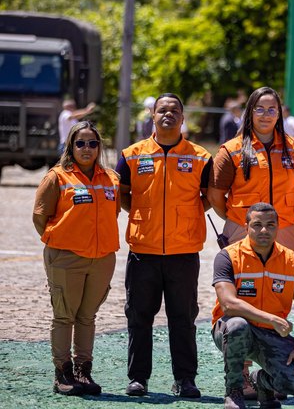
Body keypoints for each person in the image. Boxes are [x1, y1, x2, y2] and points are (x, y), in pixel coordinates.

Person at [116, 93, 212, 398]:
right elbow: (123, 194)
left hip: (184, 250)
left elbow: (209, 197)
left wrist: (186, 216)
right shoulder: (131, 155)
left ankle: (185, 379)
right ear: (152, 115)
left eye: (174, 111)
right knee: (139, 317)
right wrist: (144, 215)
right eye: (162, 110)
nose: (168, 114)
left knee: (183, 318)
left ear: (183, 118)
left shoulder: (200, 157)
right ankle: (138, 378)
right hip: (143, 250)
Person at [33, 121, 120, 397]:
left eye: (92, 143)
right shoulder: (57, 177)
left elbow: (113, 212)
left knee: (87, 317)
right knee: (64, 316)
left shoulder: (111, 178)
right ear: (71, 146)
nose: (86, 148)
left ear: (99, 147)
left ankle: (83, 371)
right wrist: (60, 240)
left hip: (102, 259)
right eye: (80, 143)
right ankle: (63, 373)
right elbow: (40, 216)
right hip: (66, 258)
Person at [211, 203, 294, 409]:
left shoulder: (292, 261)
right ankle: (234, 391)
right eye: (257, 225)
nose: (264, 230)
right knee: (238, 325)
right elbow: (228, 304)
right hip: (231, 330)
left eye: (270, 225)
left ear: (278, 227)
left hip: (271, 333)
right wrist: (270, 319)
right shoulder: (228, 256)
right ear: (246, 226)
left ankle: (261, 382)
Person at [209, 87, 294, 252]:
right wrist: (236, 219)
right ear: (250, 112)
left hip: (284, 230)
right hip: (243, 230)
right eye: (260, 109)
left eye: (272, 109)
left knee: (284, 270)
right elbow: (215, 195)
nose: (266, 115)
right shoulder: (231, 150)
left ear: (279, 114)